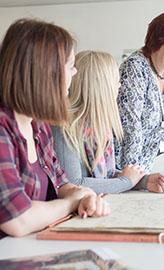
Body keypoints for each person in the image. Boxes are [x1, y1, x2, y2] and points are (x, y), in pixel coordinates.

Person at [0, 19, 110, 238]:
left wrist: (83, 197)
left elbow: (62, 184)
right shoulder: (3, 126)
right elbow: (17, 220)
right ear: (44, 73)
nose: (75, 72)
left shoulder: (38, 126)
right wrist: (70, 204)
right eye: (70, 65)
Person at [51, 51, 164, 194]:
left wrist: (143, 181)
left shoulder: (100, 127)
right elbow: (74, 184)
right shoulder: (64, 127)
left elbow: (105, 176)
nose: (119, 86)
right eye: (116, 81)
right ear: (103, 87)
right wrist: (126, 182)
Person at [115, 10, 164, 173]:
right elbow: (131, 127)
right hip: (120, 167)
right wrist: (131, 177)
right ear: (157, 42)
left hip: (145, 166)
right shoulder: (134, 69)